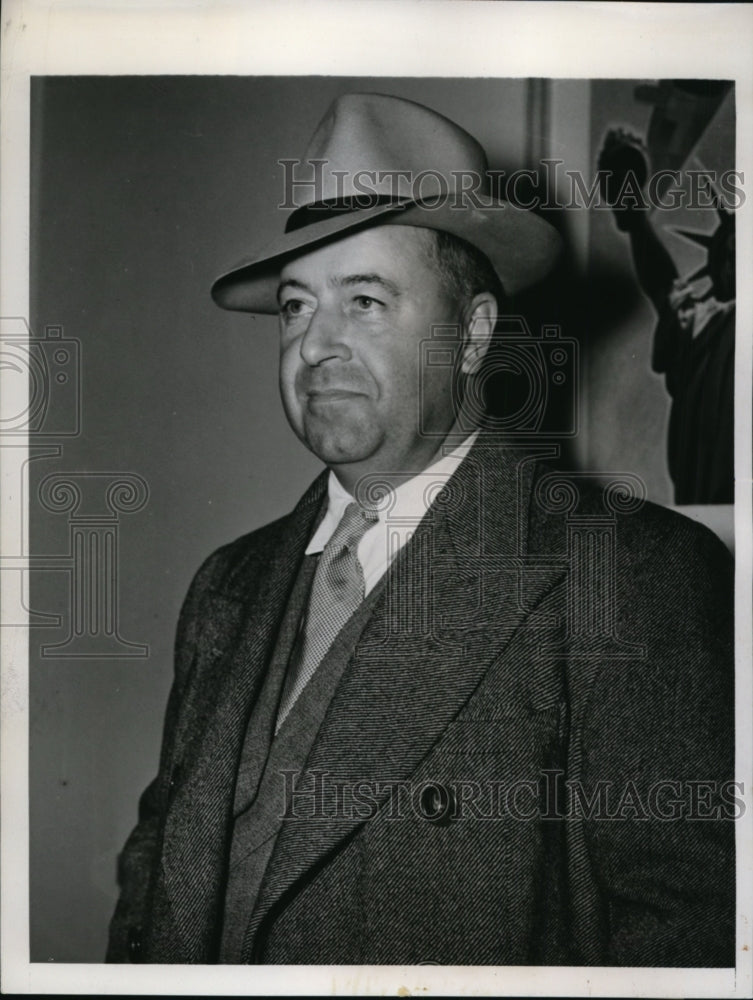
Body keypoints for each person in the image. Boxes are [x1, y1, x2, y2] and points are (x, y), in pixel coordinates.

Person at [107, 93, 734, 967]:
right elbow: (153, 881)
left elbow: (686, 943)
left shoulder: (633, 577)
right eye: (294, 306)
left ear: (473, 335)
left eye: (362, 300)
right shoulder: (227, 586)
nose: (314, 344)